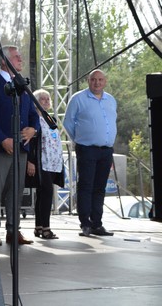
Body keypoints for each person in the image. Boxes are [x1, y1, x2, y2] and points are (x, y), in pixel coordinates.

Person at [0, 45, 39, 246]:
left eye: (20, 56)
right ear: (4, 61)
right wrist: (2, 139)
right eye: (16, 57)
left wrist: (33, 130)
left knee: (16, 190)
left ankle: (14, 230)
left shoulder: (22, 86)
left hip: (21, 148)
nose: (21, 59)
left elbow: (33, 115)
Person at [63, 69, 117, 237]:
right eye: (93, 79)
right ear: (88, 81)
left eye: (100, 80)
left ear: (105, 82)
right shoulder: (78, 98)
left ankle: (97, 224)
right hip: (87, 149)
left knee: (100, 188)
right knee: (86, 186)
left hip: (106, 150)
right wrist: (80, 139)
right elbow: (68, 122)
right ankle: (85, 224)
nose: (97, 83)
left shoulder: (111, 100)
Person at [26, 89, 64, 240]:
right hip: (40, 160)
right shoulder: (33, 119)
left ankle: (39, 227)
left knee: (43, 193)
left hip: (53, 161)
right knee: (46, 192)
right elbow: (30, 142)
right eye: (42, 99)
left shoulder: (50, 118)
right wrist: (30, 160)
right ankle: (46, 228)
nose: (46, 101)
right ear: (35, 102)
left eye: (48, 99)